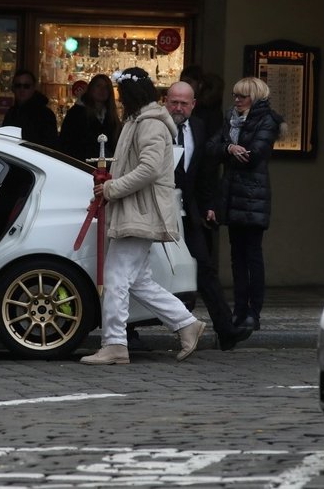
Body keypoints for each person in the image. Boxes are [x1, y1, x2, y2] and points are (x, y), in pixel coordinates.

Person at [80, 67, 206, 365]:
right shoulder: (143, 121)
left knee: (116, 277)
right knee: (137, 280)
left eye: (122, 95)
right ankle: (186, 323)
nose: (119, 100)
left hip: (140, 210)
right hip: (140, 209)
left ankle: (114, 343)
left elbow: (148, 169)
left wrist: (111, 189)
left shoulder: (148, 124)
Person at [165, 81, 252, 351]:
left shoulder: (200, 127)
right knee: (143, 269)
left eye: (183, 103)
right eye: (174, 102)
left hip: (188, 212)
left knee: (205, 269)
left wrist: (209, 206)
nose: (178, 108)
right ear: (165, 102)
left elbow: (204, 173)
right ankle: (129, 331)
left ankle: (225, 330)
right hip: (156, 209)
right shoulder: (154, 126)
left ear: (193, 105)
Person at [206, 77, 286, 333]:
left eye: (242, 96)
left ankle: (253, 312)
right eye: (235, 95)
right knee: (236, 257)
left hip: (252, 197)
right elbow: (211, 148)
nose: (237, 100)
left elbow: (253, 156)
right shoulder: (230, 117)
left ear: (255, 97)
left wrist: (228, 151)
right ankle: (239, 310)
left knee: (252, 256)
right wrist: (229, 148)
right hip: (232, 196)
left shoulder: (267, 120)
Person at [58, 74, 120, 162]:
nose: (102, 90)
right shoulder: (76, 113)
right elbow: (66, 144)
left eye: (106, 87)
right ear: (91, 89)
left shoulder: (110, 115)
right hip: (82, 166)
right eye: (98, 86)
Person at [2, 69, 58, 148]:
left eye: (26, 86)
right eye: (18, 85)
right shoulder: (11, 113)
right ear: (13, 88)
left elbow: (50, 146)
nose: (22, 90)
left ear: (33, 88)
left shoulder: (45, 115)